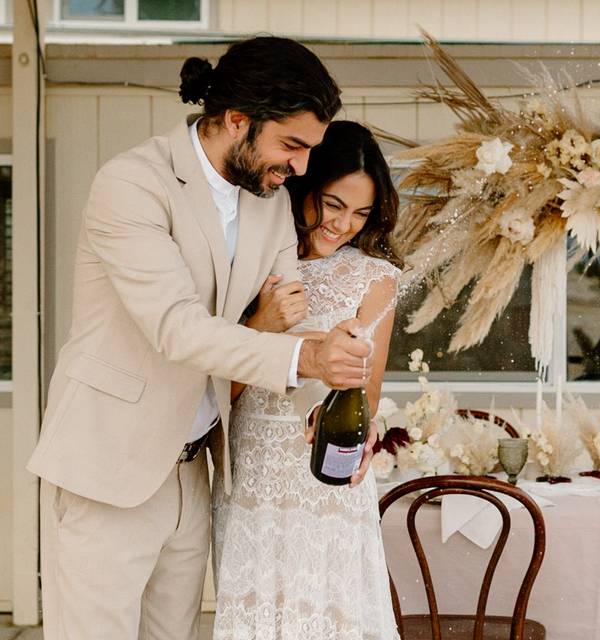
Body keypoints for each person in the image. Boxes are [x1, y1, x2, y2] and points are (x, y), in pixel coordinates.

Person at [26, 37, 376, 640]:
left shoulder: (268, 206)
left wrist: (325, 394)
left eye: (308, 151)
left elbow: (291, 324)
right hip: (109, 469)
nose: (300, 168)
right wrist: (303, 353)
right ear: (238, 119)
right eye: (291, 146)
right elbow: (177, 328)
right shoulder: (132, 185)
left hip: (196, 473)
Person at [212, 121, 402, 639]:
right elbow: (215, 389)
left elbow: (369, 387)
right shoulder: (252, 262)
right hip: (252, 467)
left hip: (324, 473)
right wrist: (260, 327)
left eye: (360, 214)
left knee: (325, 610)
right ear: (304, 184)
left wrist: (355, 427)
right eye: (334, 204)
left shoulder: (373, 278)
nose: (343, 225)